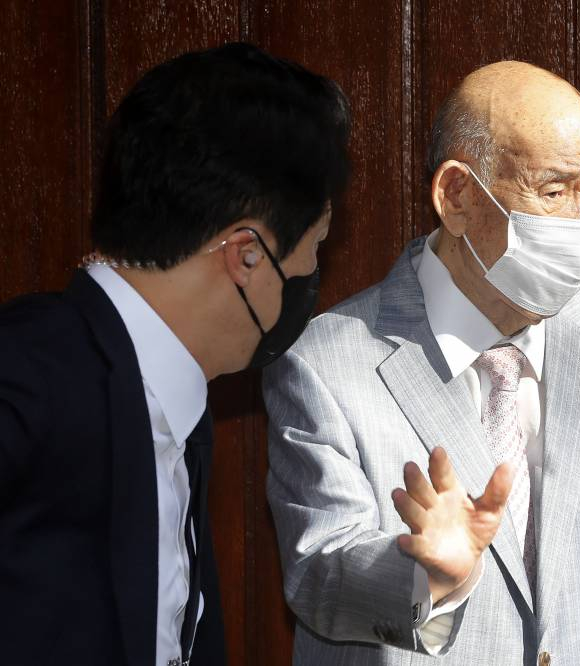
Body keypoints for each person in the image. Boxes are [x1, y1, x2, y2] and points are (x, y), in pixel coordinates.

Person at [264, 60, 580, 665]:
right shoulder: (326, 364)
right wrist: (428, 579)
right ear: (458, 197)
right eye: (554, 191)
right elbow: (320, 574)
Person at [0, 42, 350, 666]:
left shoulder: (172, 400)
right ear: (246, 255)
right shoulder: (28, 376)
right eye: (315, 244)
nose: (312, 271)